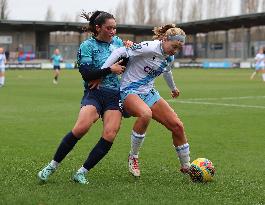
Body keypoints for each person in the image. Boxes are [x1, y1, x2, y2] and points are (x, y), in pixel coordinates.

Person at [37, 10, 127, 184]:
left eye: (115, 28)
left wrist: (129, 49)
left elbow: (125, 63)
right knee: (81, 128)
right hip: (94, 93)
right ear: (98, 27)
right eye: (109, 28)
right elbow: (86, 74)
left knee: (110, 134)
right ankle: (52, 166)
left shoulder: (118, 42)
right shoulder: (87, 46)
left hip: (114, 95)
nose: (113, 31)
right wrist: (109, 70)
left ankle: (82, 172)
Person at [101, 24, 191, 177]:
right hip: (129, 90)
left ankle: (187, 167)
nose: (175, 51)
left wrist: (173, 88)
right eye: (174, 46)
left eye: (178, 49)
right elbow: (119, 51)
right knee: (145, 114)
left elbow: (167, 71)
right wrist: (102, 71)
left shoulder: (169, 56)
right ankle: (133, 157)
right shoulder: (149, 47)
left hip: (149, 93)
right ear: (164, 39)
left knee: (177, 126)